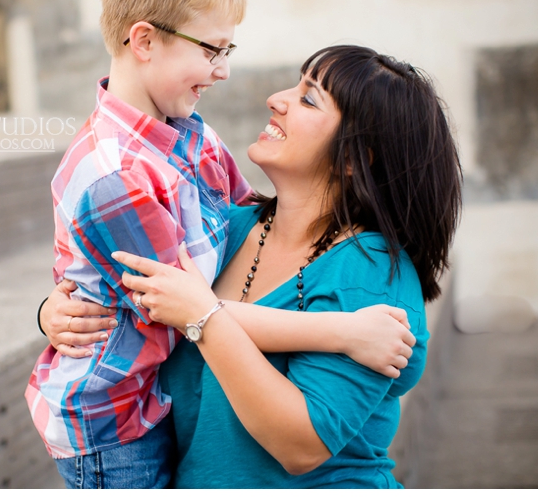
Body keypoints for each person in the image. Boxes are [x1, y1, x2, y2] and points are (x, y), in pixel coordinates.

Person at [25, 0, 414, 490]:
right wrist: (340, 332)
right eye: (211, 50)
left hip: (154, 400)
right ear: (145, 41)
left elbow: (238, 232)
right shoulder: (116, 177)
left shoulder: (192, 136)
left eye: (227, 52)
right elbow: (181, 308)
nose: (225, 71)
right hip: (113, 423)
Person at [44, 45, 462, 488]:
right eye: (296, 85)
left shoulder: (369, 271)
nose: (276, 99)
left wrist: (201, 316)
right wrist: (56, 311)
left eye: (307, 99)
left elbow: (301, 445)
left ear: (354, 159)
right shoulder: (229, 227)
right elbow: (139, 295)